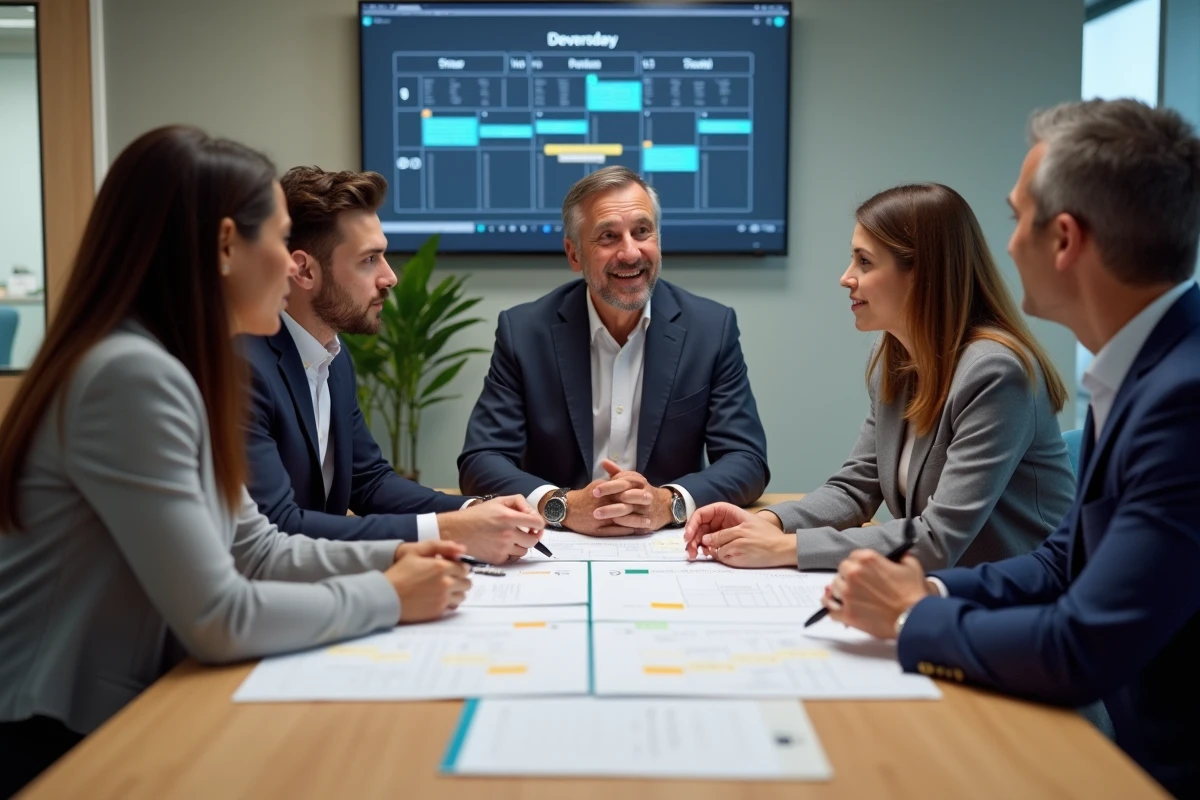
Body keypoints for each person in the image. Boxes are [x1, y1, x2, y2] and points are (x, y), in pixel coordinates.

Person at [0, 127, 471, 797]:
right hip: (53, 738)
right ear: (226, 245)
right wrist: (390, 595)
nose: (290, 264)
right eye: (278, 240)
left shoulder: (177, 365)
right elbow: (219, 618)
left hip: (119, 706)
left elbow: (256, 548)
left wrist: (397, 557)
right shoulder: (130, 376)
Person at [822, 99, 1200, 798]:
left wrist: (912, 617)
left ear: (1064, 240)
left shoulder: (1183, 400)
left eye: (1017, 217)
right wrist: (928, 589)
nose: (1009, 244)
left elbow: (1082, 644)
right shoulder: (1142, 371)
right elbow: (1064, 561)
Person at [685, 183, 1075, 570]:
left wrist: (787, 548)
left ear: (923, 274)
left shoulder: (995, 373)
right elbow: (854, 489)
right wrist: (768, 523)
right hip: (943, 584)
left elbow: (937, 539)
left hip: (1021, 592)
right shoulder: (894, 357)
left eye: (865, 262)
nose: (846, 277)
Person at [239, 166, 544, 563]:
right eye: (369, 260)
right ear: (305, 270)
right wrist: (450, 531)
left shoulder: (332, 357)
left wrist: (474, 510)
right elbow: (278, 526)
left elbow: (368, 481)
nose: (390, 278)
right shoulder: (244, 368)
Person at [458, 166, 769, 536]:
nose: (630, 252)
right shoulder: (524, 332)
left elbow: (746, 459)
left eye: (642, 231)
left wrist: (668, 502)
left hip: (669, 540)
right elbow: (482, 460)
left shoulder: (711, 329)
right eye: (608, 236)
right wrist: (561, 505)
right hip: (557, 541)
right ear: (574, 254)